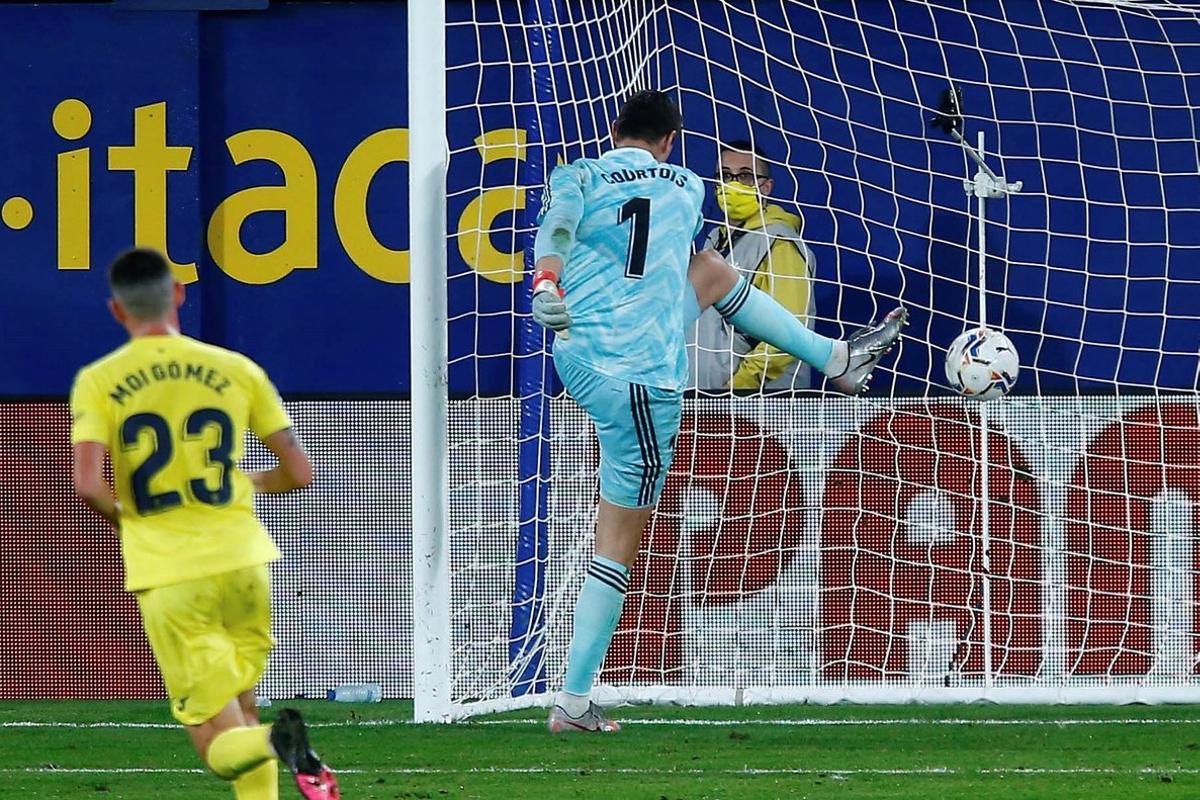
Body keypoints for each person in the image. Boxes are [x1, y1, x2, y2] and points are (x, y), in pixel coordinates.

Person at [530, 90, 906, 733]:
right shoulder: (683, 186)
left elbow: (559, 225)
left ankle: (835, 358)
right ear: (672, 142)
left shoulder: (578, 172)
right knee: (620, 537)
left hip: (576, 352)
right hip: (640, 382)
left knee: (711, 271)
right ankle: (572, 699)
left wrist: (546, 279)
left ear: (614, 129)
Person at [70, 248, 339, 799]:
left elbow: (90, 484)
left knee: (218, 746)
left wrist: (133, 524)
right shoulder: (237, 369)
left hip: (173, 574)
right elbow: (300, 472)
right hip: (246, 564)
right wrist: (247, 485)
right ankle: (272, 739)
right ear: (178, 295)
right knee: (242, 706)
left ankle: (275, 742)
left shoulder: (99, 380)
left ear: (117, 312)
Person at [691, 140, 816, 391]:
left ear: (766, 187)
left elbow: (789, 332)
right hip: (707, 401)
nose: (733, 183)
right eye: (725, 176)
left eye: (745, 176)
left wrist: (737, 387)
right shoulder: (713, 241)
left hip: (760, 407)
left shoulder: (779, 243)